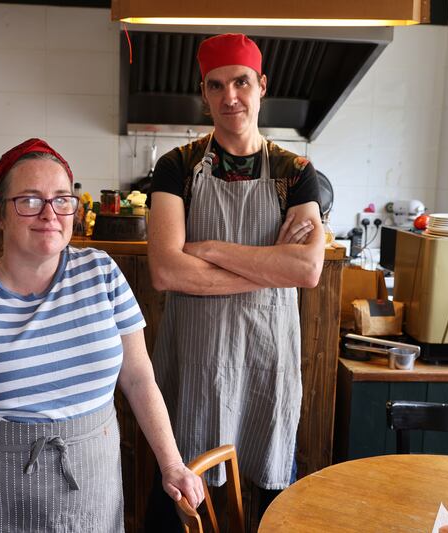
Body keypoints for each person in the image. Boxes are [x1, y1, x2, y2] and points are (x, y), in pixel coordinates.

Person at [0, 138, 203, 532]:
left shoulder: (102, 274)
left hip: (90, 492)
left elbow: (138, 377)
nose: (49, 213)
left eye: (62, 199)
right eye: (29, 200)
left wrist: (172, 464)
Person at [145, 33, 325, 528]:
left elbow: (307, 270)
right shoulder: (175, 168)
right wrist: (270, 266)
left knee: (270, 499)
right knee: (179, 497)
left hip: (266, 358)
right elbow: (165, 270)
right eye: (216, 84)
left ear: (261, 85)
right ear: (204, 93)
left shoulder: (297, 172)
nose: (230, 96)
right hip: (194, 358)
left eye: (241, 82)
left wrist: (211, 251)